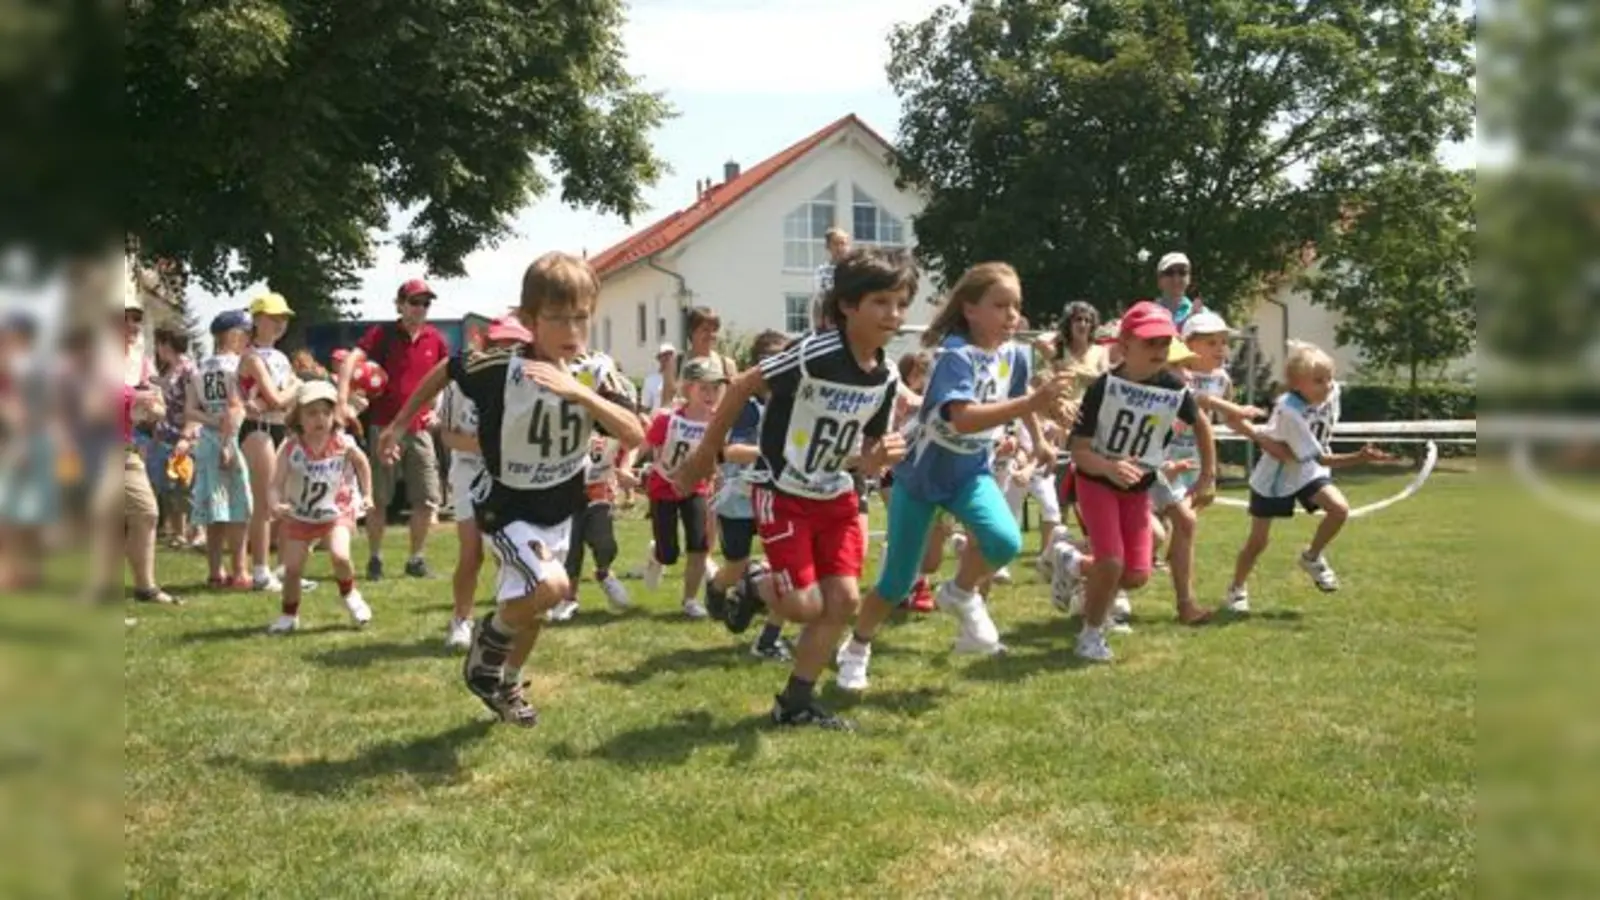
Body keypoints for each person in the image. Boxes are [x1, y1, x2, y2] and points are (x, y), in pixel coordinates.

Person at [380, 252, 642, 727]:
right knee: (553, 587)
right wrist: (399, 423)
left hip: (560, 508)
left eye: (580, 317)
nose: (571, 330)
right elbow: (448, 369)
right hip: (507, 505)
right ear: (529, 320)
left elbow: (635, 432)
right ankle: (489, 638)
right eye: (557, 318)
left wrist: (579, 393)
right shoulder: (503, 367)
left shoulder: (594, 372)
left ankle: (507, 683)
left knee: (536, 610)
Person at [674, 247, 914, 731]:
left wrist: (879, 456)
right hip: (783, 492)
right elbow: (742, 385)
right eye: (881, 302)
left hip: (836, 496)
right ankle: (752, 582)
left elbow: (867, 450)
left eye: (901, 303)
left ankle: (795, 703)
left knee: (843, 602)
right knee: (805, 606)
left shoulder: (887, 376)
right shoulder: (816, 353)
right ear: (847, 306)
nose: (893, 314)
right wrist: (705, 455)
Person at [834, 263, 1070, 692]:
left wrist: (1039, 440)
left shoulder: (1014, 355)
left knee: (1004, 542)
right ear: (970, 309)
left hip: (970, 472)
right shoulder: (954, 356)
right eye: (1000, 305)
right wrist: (1032, 403)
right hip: (921, 476)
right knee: (898, 580)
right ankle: (857, 648)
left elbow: (1020, 397)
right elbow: (962, 418)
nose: (1012, 315)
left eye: (1016, 305)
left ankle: (959, 593)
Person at [1068, 301, 1216, 662]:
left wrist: (1208, 475)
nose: (1159, 350)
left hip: (1137, 489)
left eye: (1165, 342)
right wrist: (1108, 467)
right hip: (1096, 481)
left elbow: (1202, 425)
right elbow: (1079, 451)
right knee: (1111, 562)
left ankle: (1070, 563)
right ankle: (1090, 636)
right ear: (1125, 345)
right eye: (1150, 342)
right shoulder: (1103, 388)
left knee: (1136, 575)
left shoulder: (1173, 388)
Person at [1225, 341, 1391, 612]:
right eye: (1318, 381)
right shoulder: (1289, 411)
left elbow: (1315, 456)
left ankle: (1312, 557)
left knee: (1339, 509)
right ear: (1296, 384)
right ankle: (1237, 588)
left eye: (1329, 378)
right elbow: (1318, 457)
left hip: (1307, 469)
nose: (1327, 385)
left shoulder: (1333, 392)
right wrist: (1360, 457)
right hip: (1276, 475)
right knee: (1258, 542)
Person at [1152, 311, 1265, 624]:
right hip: (1164, 458)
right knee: (1166, 523)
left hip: (1195, 458)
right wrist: (1234, 407)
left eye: (1223, 343)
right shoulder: (1174, 373)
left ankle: (1175, 574)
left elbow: (1227, 420)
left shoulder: (1222, 378)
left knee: (1190, 514)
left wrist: (1260, 437)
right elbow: (1200, 401)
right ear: (1189, 345)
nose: (1221, 349)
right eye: (1211, 343)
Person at [337, 278, 450, 580]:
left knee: (426, 497)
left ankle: (416, 559)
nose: (420, 308)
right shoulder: (382, 334)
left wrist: (437, 410)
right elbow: (350, 360)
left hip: (420, 429)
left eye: (426, 303)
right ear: (399, 305)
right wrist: (342, 400)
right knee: (379, 498)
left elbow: (447, 377)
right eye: (414, 302)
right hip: (384, 428)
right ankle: (375, 559)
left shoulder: (435, 339)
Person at [438, 312, 534, 648]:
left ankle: (505, 621)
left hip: (509, 474)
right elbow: (447, 435)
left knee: (507, 551)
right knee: (472, 551)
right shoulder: (461, 385)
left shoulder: (527, 383)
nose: (507, 353)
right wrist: (486, 446)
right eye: (500, 345)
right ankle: (461, 620)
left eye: (515, 346)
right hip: (469, 471)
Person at [702, 330, 796, 659]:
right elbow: (729, 451)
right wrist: (771, 451)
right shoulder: (745, 406)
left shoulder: (794, 403)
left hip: (780, 499)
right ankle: (719, 588)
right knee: (735, 565)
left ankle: (769, 635)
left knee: (788, 569)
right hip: (740, 502)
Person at [266, 381, 374, 633]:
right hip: (300, 515)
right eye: (312, 413)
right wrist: (275, 504)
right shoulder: (290, 447)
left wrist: (367, 494)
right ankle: (289, 615)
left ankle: (350, 594)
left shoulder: (343, 443)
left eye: (326, 412)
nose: (320, 419)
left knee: (340, 555)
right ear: (298, 417)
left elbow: (362, 463)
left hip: (336, 512)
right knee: (292, 569)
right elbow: (275, 483)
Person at [641, 357, 729, 618]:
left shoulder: (717, 422)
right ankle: (657, 554)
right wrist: (626, 467)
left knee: (699, 545)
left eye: (715, 388)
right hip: (664, 486)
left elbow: (718, 455)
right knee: (669, 554)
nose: (711, 395)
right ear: (688, 389)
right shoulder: (667, 420)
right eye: (704, 388)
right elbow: (644, 446)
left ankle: (690, 600)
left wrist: (716, 475)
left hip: (696, 488)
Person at [185, 309, 254, 587]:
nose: (249, 339)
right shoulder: (237, 366)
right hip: (232, 439)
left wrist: (212, 421)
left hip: (207, 441)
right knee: (239, 508)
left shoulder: (201, 368)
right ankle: (240, 570)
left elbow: (190, 410)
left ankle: (215, 571)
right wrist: (227, 438)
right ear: (234, 335)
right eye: (246, 333)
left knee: (214, 508)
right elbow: (235, 408)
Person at [239, 292, 301, 591]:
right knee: (264, 501)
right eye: (273, 318)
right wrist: (295, 388)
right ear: (257, 320)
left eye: (283, 318)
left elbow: (283, 402)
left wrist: (287, 394)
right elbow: (278, 398)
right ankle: (261, 571)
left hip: (279, 428)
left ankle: (286, 569)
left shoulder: (280, 358)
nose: (280, 323)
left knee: (286, 501)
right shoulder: (251, 356)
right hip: (258, 429)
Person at [149, 327, 200, 549]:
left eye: (159, 343)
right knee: (170, 487)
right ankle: (178, 533)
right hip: (165, 435)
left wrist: (186, 437)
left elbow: (195, 406)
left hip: (184, 437)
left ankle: (197, 532)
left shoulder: (189, 370)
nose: (157, 348)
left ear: (166, 343)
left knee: (186, 486)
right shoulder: (168, 370)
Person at [1154, 252, 1200, 329]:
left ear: (1189, 278)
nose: (1176, 279)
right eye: (1169, 273)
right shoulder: (1147, 314)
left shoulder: (1202, 315)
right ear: (1159, 279)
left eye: (1182, 272)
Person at [640, 343, 676, 413]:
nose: (668, 357)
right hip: (658, 417)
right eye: (664, 355)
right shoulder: (650, 380)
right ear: (659, 358)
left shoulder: (681, 379)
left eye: (670, 354)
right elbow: (645, 407)